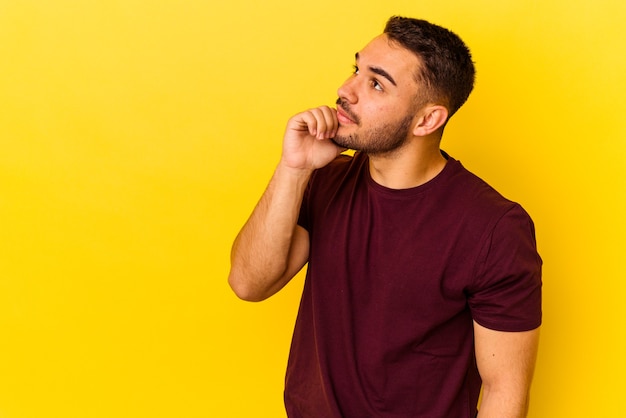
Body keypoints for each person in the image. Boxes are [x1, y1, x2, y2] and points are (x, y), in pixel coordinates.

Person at [228, 16, 542, 418]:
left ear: (428, 120)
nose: (345, 91)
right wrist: (294, 168)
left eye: (376, 83)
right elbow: (248, 283)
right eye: (355, 70)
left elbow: (506, 393)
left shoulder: (494, 228)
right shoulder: (326, 180)